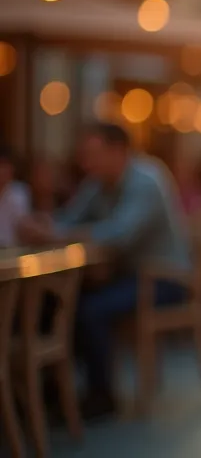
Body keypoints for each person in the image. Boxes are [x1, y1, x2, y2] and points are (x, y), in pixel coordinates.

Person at [17, 123, 192, 418]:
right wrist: (44, 224)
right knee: (57, 302)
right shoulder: (98, 183)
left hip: (164, 279)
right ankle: (52, 392)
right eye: (85, 155)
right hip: (124, 276)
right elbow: (69, 220)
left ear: (118, 151)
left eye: (94, 154)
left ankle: (102, 396)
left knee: (90, 310)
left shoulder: (147, 180)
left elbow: (119, 235)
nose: (87, 163)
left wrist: (56, 235)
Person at [0, 146, 30, 247]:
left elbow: (23, 226)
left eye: (6, 166)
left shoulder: (19, 192)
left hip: (12, 251)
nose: (3, 171)